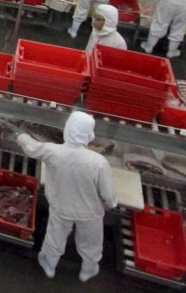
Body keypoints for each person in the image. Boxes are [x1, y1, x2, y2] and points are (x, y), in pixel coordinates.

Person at [16, 112, 117, 282]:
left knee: (55, 237)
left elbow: (31, 147)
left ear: (67, 130)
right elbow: (107, 192)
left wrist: (20, 135)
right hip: (90, 212)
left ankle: (50, 266)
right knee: (91, 242)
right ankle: (88, 270)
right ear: (89, 136)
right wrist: (111, 204)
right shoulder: (98, 162)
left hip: (61, 207)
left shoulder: (53, 151)